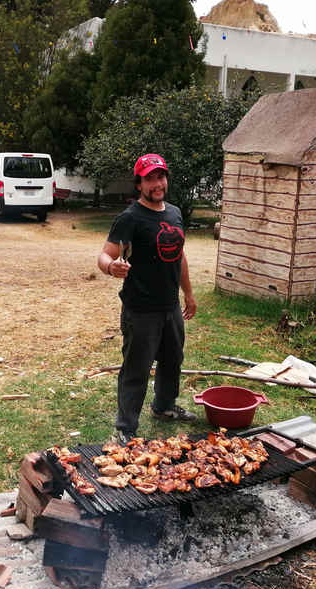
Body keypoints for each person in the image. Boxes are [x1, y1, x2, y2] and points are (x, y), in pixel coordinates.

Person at [97, 153, 197, 444]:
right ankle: (126, 427)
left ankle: (164, 407)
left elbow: (179, 256)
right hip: (140, 309)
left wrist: (188, 294)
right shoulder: (130, 218)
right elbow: (105, 254)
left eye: (161, 176)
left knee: (172, 359)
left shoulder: (175, 213)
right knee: (136, 368)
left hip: (170, 306)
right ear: (139, 183)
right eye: (150, 178)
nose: (157, 183)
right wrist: (110, 267)